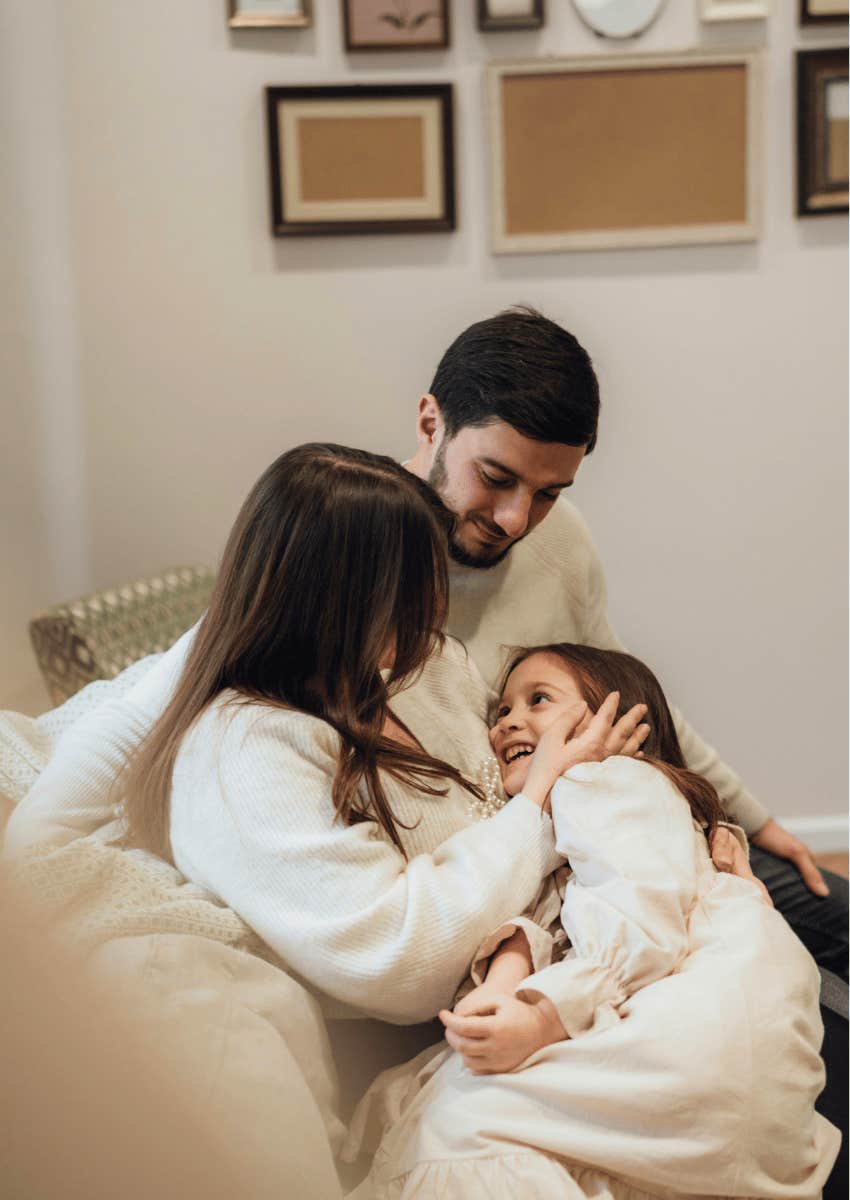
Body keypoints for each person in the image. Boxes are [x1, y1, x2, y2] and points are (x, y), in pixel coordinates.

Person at [404, 306, 847, 980]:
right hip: (512, 886)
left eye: (549, 492)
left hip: (619, 833)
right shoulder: (353, 544)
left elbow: (628, 696)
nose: (517, 518)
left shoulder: (560, 541)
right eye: (496, 479)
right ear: (432, 424)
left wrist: (752, 823)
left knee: (833, 913)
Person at [345, 643, 839, 1199]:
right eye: (501, 712)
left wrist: (543, 1018)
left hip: (703, 1020)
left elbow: (636, 912)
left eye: (539, 700)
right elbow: (548, 924)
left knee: (461, 1124)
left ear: (615, 722)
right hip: (732, 1050)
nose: (509, 723)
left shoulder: (604, 780)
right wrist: (505, 992)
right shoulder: (560, 823)